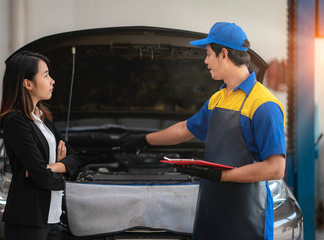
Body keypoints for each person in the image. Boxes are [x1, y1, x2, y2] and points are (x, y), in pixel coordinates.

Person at [122, 22, 286, 240]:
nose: (205, 61)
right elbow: (184, 129)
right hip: (212, 209)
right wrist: (144, 140)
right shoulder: (218, 99)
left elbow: (276, 168)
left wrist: (223, 175)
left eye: (208, 54)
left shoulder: (264, 105)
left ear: (224, 54)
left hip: (247, 217)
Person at [0, 51, 80, 240]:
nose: (52, 81)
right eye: (45, 75)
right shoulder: (15, 121)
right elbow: (42, 178)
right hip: (28, 221)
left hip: (52, 217)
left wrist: (51, 168)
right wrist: (64, 171)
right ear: (27, 83)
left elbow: (75, 158)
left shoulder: (43, 119)